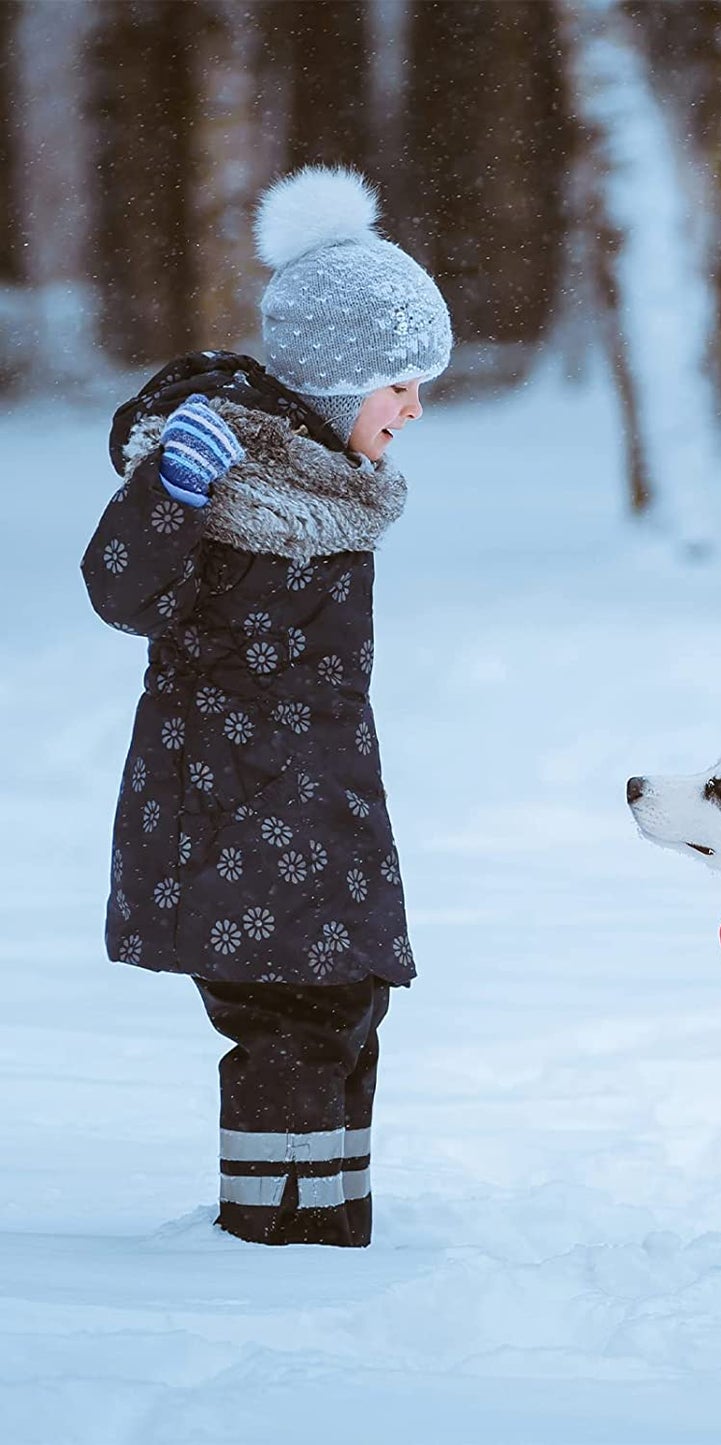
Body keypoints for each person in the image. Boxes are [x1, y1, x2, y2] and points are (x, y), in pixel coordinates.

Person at [81, 167, 452, 1246]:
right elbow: (120, 588)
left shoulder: (331, 479)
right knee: (289, 1014)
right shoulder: (227, 470)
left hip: (318, 794)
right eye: (400, 383)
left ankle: (329, 1221)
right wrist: (170, 489)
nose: (415, 408)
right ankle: (277, 1242)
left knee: (349, 1003)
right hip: (233, 798)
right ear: (338, 381)